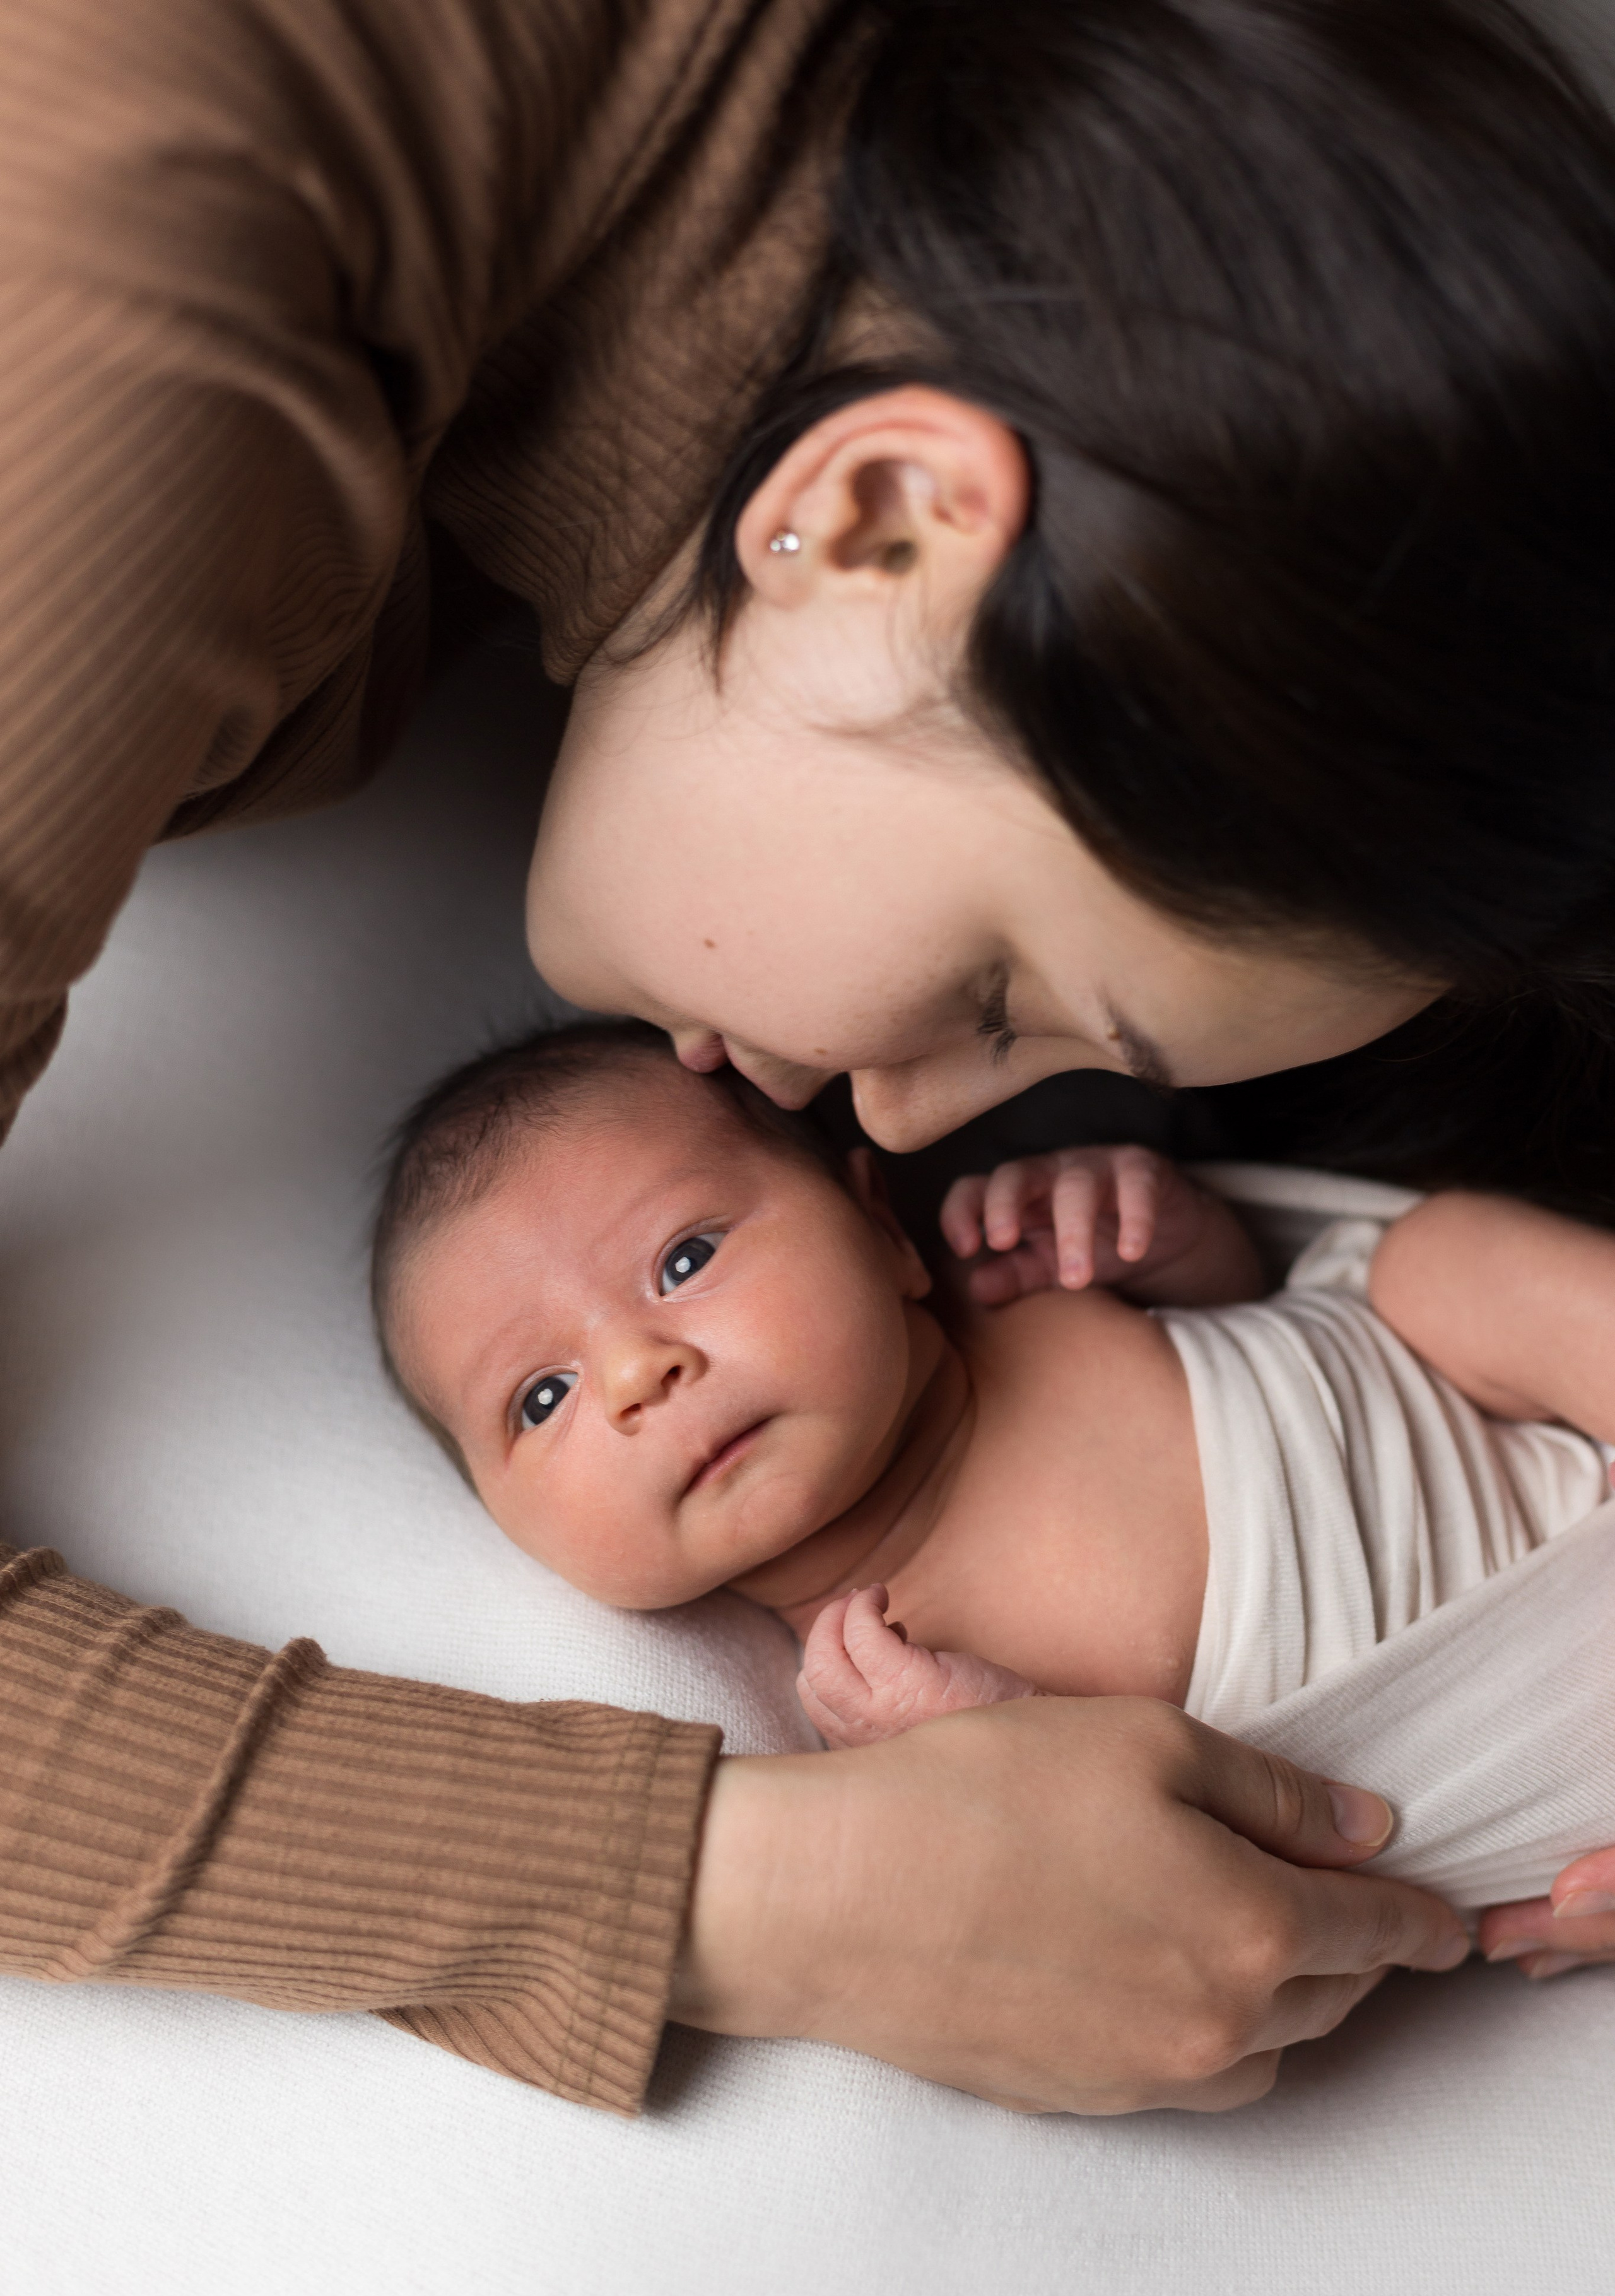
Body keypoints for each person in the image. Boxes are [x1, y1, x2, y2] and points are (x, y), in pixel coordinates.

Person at [2, 0, 1612, 2126]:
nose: (908, 1133)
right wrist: (767, 1891)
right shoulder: (114, 289)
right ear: (868, 526)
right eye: (997, 997)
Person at [367, 1019, 1615, 1922]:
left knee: (1439, 1257)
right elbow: (1108, 1862)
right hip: (1503, 1704)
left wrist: (1171, 1235)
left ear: (878, 1226)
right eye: (542, 1398)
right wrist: (991, 1741)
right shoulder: (867, 1708)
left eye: (684, 1261)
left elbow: (1258, 1324)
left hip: (1496, 1407)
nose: (639, 1371)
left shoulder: (1011, 1281)